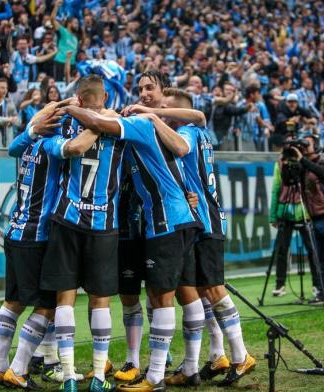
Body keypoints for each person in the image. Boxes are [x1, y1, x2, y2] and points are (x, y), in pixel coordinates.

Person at [60, 72, 204, 392]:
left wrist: (73, 109)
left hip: (168, 220)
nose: (141, 95)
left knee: (165, 296)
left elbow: (101, 126)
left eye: (148, 88)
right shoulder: (153, 126)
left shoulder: (142, 124)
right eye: (139, 90)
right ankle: (187, 366)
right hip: (170, 220)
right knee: (175, 292)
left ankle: (155, 376)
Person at [129, 87, 256, 387]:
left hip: (205, 219)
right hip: (197, 217)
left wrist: (153, 114)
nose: (164, 113)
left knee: (213, 289)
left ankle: (240, 356)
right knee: (200, 292)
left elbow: (183, 143)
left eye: (168, 109)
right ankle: (214, 356)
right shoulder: (199, 133)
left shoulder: (187, 132)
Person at [0, 107, 99, 390]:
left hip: (14, 230)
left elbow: (12, 147)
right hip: (35, 236)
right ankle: (18, 369)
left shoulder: (27, 143)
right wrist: (102, 123)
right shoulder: (52, 145)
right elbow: (75, 147)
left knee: (13, 301)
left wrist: (35, 124)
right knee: (48, 304)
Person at [40, 75, 124, 392]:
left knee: (65, 298)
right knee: (100, 301)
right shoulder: (117, 124)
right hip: (104, 223)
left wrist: (69, 109)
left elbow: (72, 147)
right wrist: (102, 122)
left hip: (68, 218)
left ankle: (69, 375)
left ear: (79, 97)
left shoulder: (64, 123)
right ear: (103, 96)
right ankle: (99, 378)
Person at [270, 134, 321, 297]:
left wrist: (300, 160)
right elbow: (278, 187)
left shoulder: (308, 163)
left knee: (313, 251)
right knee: (282, 250)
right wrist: (273, 216)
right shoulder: (280, 164)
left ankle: (318, 286)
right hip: (286, 211)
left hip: (305, 211)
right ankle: (280, 284)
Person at [291, 134, 324, 304]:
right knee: (319, 260)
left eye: (308, 144)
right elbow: (289, 181)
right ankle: (322, 293)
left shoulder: (320, 162)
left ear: (317, 146)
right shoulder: (303, 165)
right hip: (313, 218)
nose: (305, 146)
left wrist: (303, 159)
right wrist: (289, 159)